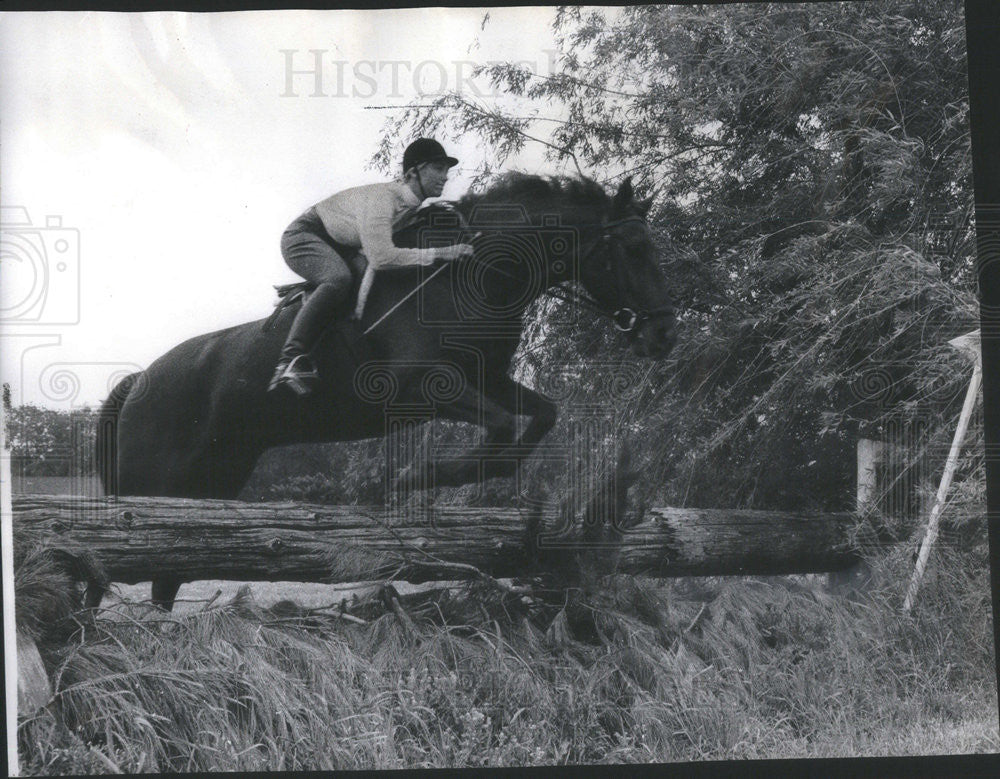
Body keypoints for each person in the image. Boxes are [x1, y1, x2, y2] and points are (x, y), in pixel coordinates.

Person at [269, 138, 474, 396]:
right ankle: (290, 360)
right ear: (412, 173)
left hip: (340, 242)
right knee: (338, 279)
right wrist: (442, 252)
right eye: (437, 168)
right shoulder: (382, 199)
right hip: (305, 235)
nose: (445, 177)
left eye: (446, 170)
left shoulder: (410, 204)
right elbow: (381, 258)